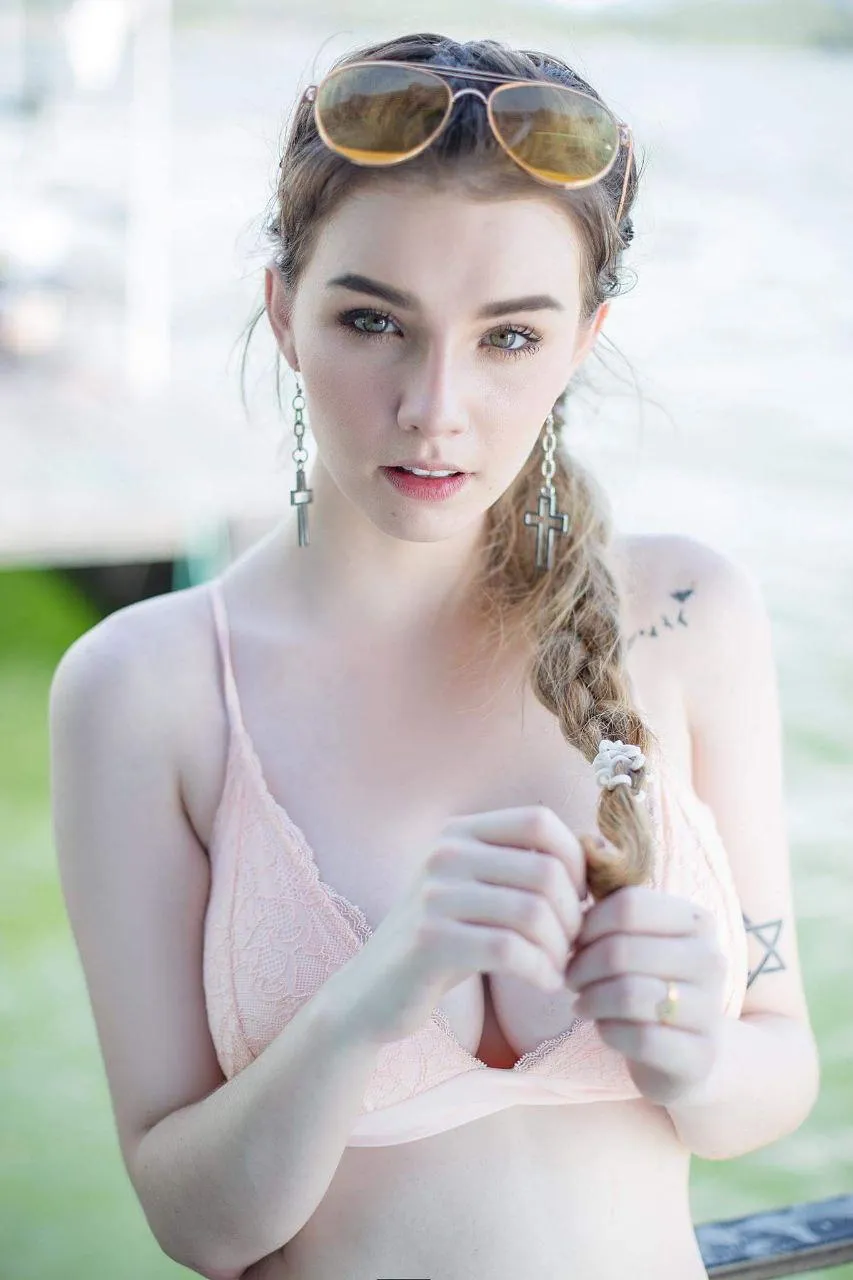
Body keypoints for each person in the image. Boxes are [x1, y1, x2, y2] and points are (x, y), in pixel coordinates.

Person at [49, 29, 820, 1280]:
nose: (434, 405)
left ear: (583, 336)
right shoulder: (148, 687)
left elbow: (775, 1065)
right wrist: (367, 1000)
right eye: (373, 321)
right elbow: (197, 1222)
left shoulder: (687, 611)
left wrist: (695, 1051)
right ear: (283, 314)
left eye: (509, 336)